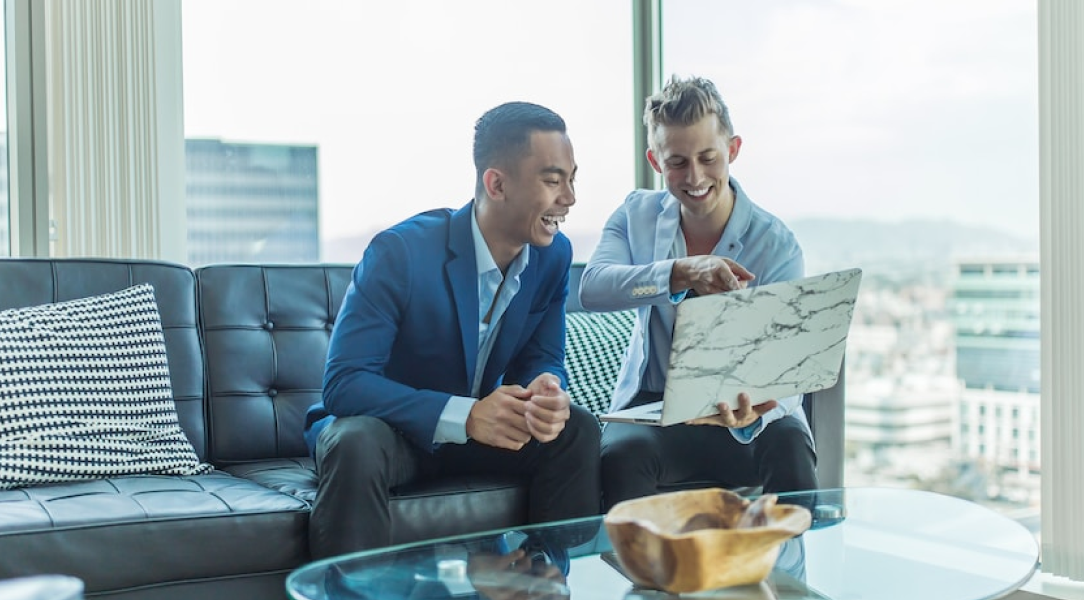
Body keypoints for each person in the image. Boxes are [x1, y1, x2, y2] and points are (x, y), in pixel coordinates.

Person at [304, 101, 601, 558]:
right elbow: (344, 384)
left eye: (571, 178)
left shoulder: (553, 255)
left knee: (575, 428)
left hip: (478, 434)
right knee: (354, 442)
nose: (570, 197)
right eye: (552, 179)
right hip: (394, 433)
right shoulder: (399, 252)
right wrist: (465, 415)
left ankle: (541, 581)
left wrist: (547, 387)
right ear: (497, 184)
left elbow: (542, 356)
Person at [579, 75, 818, 510]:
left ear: (733, 149)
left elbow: (789, 368)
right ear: (655, 161)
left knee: (790, 445)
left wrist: (759, 406)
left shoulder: (776, 244)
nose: (695, 177)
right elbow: (593, 288)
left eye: (708, 157)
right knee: (620, 456)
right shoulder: (635, 216)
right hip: (655, 410)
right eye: (677, 162)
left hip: (745, 413)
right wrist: (680, 273)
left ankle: (791, 576)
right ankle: (643, 579)